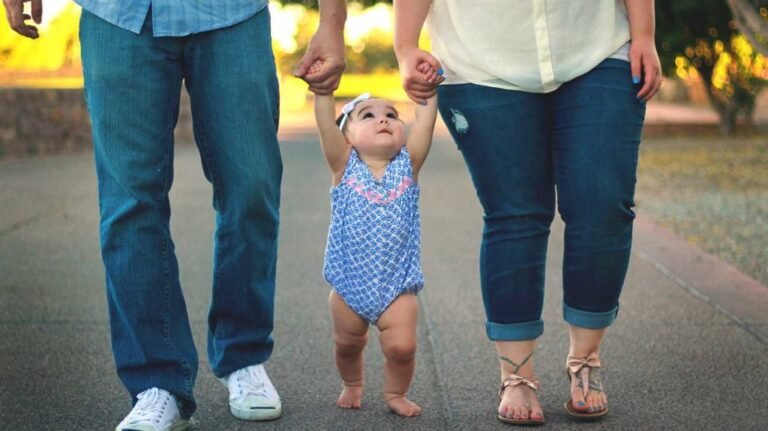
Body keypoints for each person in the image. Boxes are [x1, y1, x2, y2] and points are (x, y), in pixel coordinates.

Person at [3, 1, 347, 430]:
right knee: (129, 202)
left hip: (231, 15)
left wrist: (332, 21)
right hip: (118, 16)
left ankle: (243, 354)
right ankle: (156, 381)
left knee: (251, 186)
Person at [394, 0, 662, 425]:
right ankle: (516, 374)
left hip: (598, 48)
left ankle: (586, 358)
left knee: (602, 205)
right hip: (480, 61)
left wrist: (644, 33)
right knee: (514, 215)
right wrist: (405, 45)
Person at [308, 59, 439, 416]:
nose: (383, 119)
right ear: (347, 137)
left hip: (397, 286)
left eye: (392, 115)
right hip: (349, 285)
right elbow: (324, 126)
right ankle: (352, 383)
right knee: (347, 344)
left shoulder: (407, 166)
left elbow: (425, 123)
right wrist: (323, 92)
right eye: (368, 115)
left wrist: (426, 94)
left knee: (402, 348)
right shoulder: (343, 167)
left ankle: (396, 393)